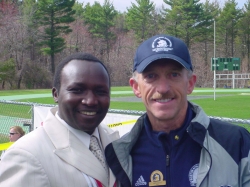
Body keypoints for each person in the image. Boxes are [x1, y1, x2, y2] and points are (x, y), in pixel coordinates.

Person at [105, 34, 250, 187]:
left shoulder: (236, 143)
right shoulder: (119, 155)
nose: (163, 88)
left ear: (190, 83)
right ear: (136, 87)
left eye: (174, 74)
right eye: (151, 76)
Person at [0, 52, 119, 187]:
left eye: (101, 91)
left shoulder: (115, 140)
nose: (90, 101)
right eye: (77, 90)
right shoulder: (25, 155)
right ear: (56, 94)